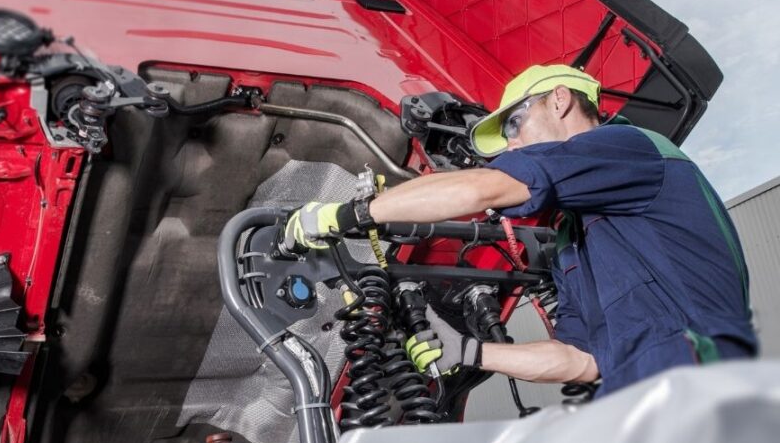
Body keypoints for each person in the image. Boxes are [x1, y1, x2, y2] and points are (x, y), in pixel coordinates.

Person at [284, 64, 757, 396]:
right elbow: (578, 360)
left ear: (560, 99)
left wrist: (346, 215)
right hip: (643, 401)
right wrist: (467, 350)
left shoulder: (627, 147)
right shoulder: (578, 239)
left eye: (515, 122)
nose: (511, 142)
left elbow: (486, 188)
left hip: (696, 391)